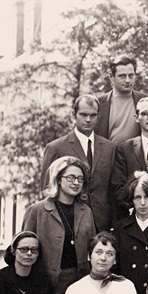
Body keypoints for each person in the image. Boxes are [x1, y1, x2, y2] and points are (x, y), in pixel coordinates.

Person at [23, 156, 96, 294]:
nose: (76, 182)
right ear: (58, 179)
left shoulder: (86, 211)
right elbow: (23, 248)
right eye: (71, 177)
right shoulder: (37, 211)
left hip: (79, 279)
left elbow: (93, 246)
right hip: (47, 281)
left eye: (80, 179)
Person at [41, 94, 117, 231]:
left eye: (93, 115)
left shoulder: (110, 148)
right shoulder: (56, 148)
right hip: (68, 223)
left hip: (103, 224)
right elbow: (47, 189)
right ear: (73, 115)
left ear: (99, 116)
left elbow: (113, 189)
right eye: (83, 115)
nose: (88, 120)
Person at [94, 55, 148, 143]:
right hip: (107, 151)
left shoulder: (147, 101)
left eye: (131, 75)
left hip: (137, 151)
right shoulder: (98, 103)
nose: (127, 80)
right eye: (122, 76)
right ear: (111, 76)